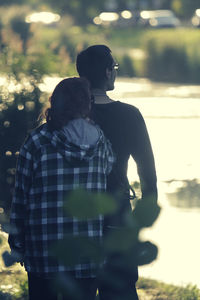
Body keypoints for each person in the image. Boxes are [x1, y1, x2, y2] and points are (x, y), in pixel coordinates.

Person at [8, 77, 115, 300]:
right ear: (87, 104)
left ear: (55, 103)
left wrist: (17, 241)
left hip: (44, 250)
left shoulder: (37, 140)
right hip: (87, 251)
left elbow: (21, 197)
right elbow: (107, 175)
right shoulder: (100, 141)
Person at [76, 45, 159, 300]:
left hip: (75, 213)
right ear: (107, 73)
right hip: (117, 213)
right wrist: (145, 213)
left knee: (81, 288)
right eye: (114, 67)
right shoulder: (129, 114)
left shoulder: (70, 115)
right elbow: (147, 169)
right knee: (121, 288)